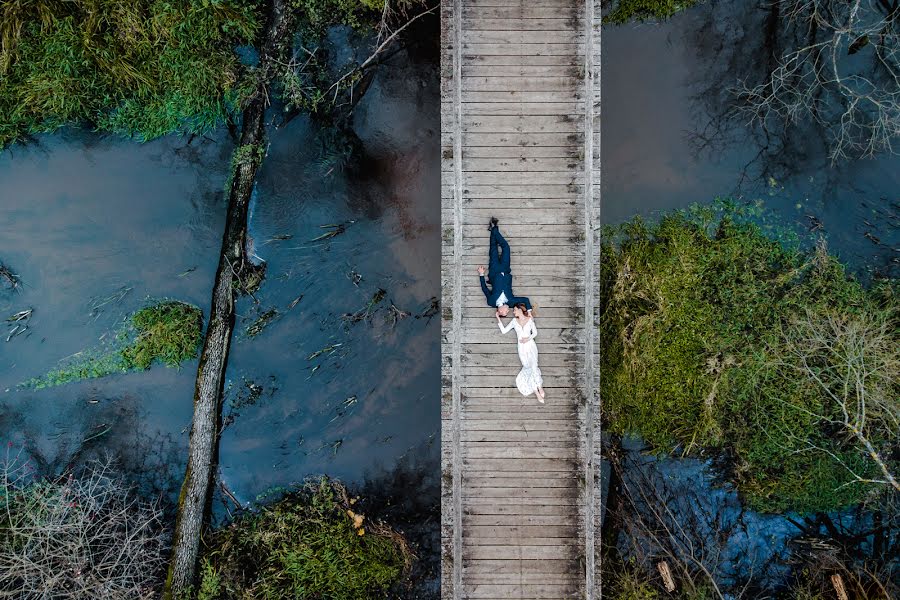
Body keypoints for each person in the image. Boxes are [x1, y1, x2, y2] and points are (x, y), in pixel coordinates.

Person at [477, 218, 532, 318]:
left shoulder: (491, 302)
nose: (508, 311)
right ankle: (494, 229)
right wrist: (529, 312)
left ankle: (494, 228)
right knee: (506, 247)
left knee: (493, 249)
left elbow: (485, 289)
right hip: (505, 269)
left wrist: (481, 274)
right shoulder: (511, 302)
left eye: (506, 312)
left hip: (494, 272)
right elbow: (525, 300)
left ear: (500, 312)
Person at [498, 302, 544, 402]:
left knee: (534, 366)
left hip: (531, 346)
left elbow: (535, 333)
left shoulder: (530, 319)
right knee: (528, 368)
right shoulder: (514, 321)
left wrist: (528, 339)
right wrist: (498, 318)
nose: (513, 312)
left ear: (519, 309)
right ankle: (536, 391)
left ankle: (539, 388)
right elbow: (504, 331)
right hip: (521, 348)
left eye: (514, 310)